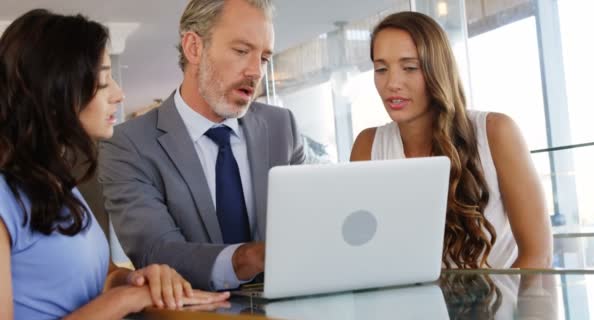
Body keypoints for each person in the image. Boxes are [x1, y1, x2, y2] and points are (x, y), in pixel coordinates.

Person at [0, 9, 230, 320]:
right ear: (57, 88)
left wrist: (132, 279)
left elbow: (94, 278)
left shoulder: (57, 185)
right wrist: (126, 299)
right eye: (105, 80)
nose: (119, 95)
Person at [98, 0, 305, 291]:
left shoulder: (282, 127)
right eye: (242, 51)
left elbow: (306, 225)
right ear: (194, 47)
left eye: (264, 58)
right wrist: (249, 257)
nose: (256, 72)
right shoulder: (128, 145)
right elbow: (157, 253)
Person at [350, 11, 552, 269]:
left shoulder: (496, 132)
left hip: (502, 305)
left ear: (438, 69)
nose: (392, 83)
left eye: (410, 67)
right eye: (381, 69)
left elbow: (538, 255)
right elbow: (361, 253)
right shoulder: (368, 146)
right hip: (410, 306)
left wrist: (506, 310)